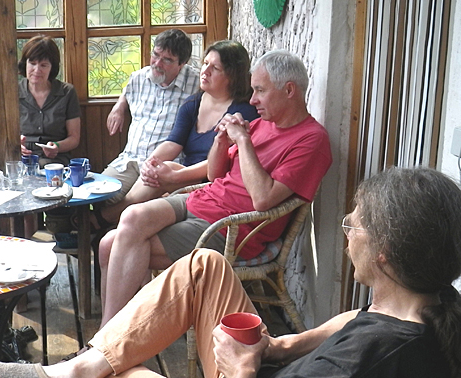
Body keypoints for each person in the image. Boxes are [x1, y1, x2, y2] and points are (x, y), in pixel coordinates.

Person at [0, 166, 461, 378]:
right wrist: (285, 346)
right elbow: (359, 317)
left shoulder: (359, 367)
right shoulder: (432, 306)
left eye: (354, 223)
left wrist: (242, 371)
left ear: (385, 253)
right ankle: (81, 367)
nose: (347, 231)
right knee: (205, 266)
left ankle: (79, 375)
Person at [98, 50, 332, 326]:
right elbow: (214, 174)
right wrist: (221, 141)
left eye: (260, 90)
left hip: (232, 229)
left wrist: (243, 141)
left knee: (114, 246)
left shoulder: (311, 140)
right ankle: (112, 336)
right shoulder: (261, 124)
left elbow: (263, 199)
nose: (253, 99)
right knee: (124, 224)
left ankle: (107, 337)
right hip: (203, 201)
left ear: (289, 90)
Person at [127, 40, 258, 206]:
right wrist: (150, 163)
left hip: (215, 184)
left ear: (232, 76)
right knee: (157, 171)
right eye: (205, 63)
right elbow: (173, 143)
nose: (205, 71)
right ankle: (111, 215)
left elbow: (224, 163)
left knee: (164, 171)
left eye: (215, 68)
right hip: (184, 177)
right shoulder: (193, 103)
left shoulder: (242, 114)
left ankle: (107, 216)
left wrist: (175, 176)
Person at [96, 29, 199, 227]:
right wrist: (119, 106)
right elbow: (127, 90)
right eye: (155, 55)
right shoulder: (139, 78)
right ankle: (101, 231)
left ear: (182, 63)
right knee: (101, 193)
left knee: (148, 202)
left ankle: (103, 225)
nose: (157, 63)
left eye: (167, 60)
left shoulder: (196, 84)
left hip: (164, 163)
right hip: (129, 159)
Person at [19, 35, 81, 167]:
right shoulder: (12, 93)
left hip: (55, 160)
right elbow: (3, 134)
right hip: (20, 160)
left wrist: (57, 146)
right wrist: (16, 145)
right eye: (32, 63)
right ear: (25, 64)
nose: (37, 70)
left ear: (52, 68)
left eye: (44, 65)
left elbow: (74, 138)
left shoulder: (67, 92)